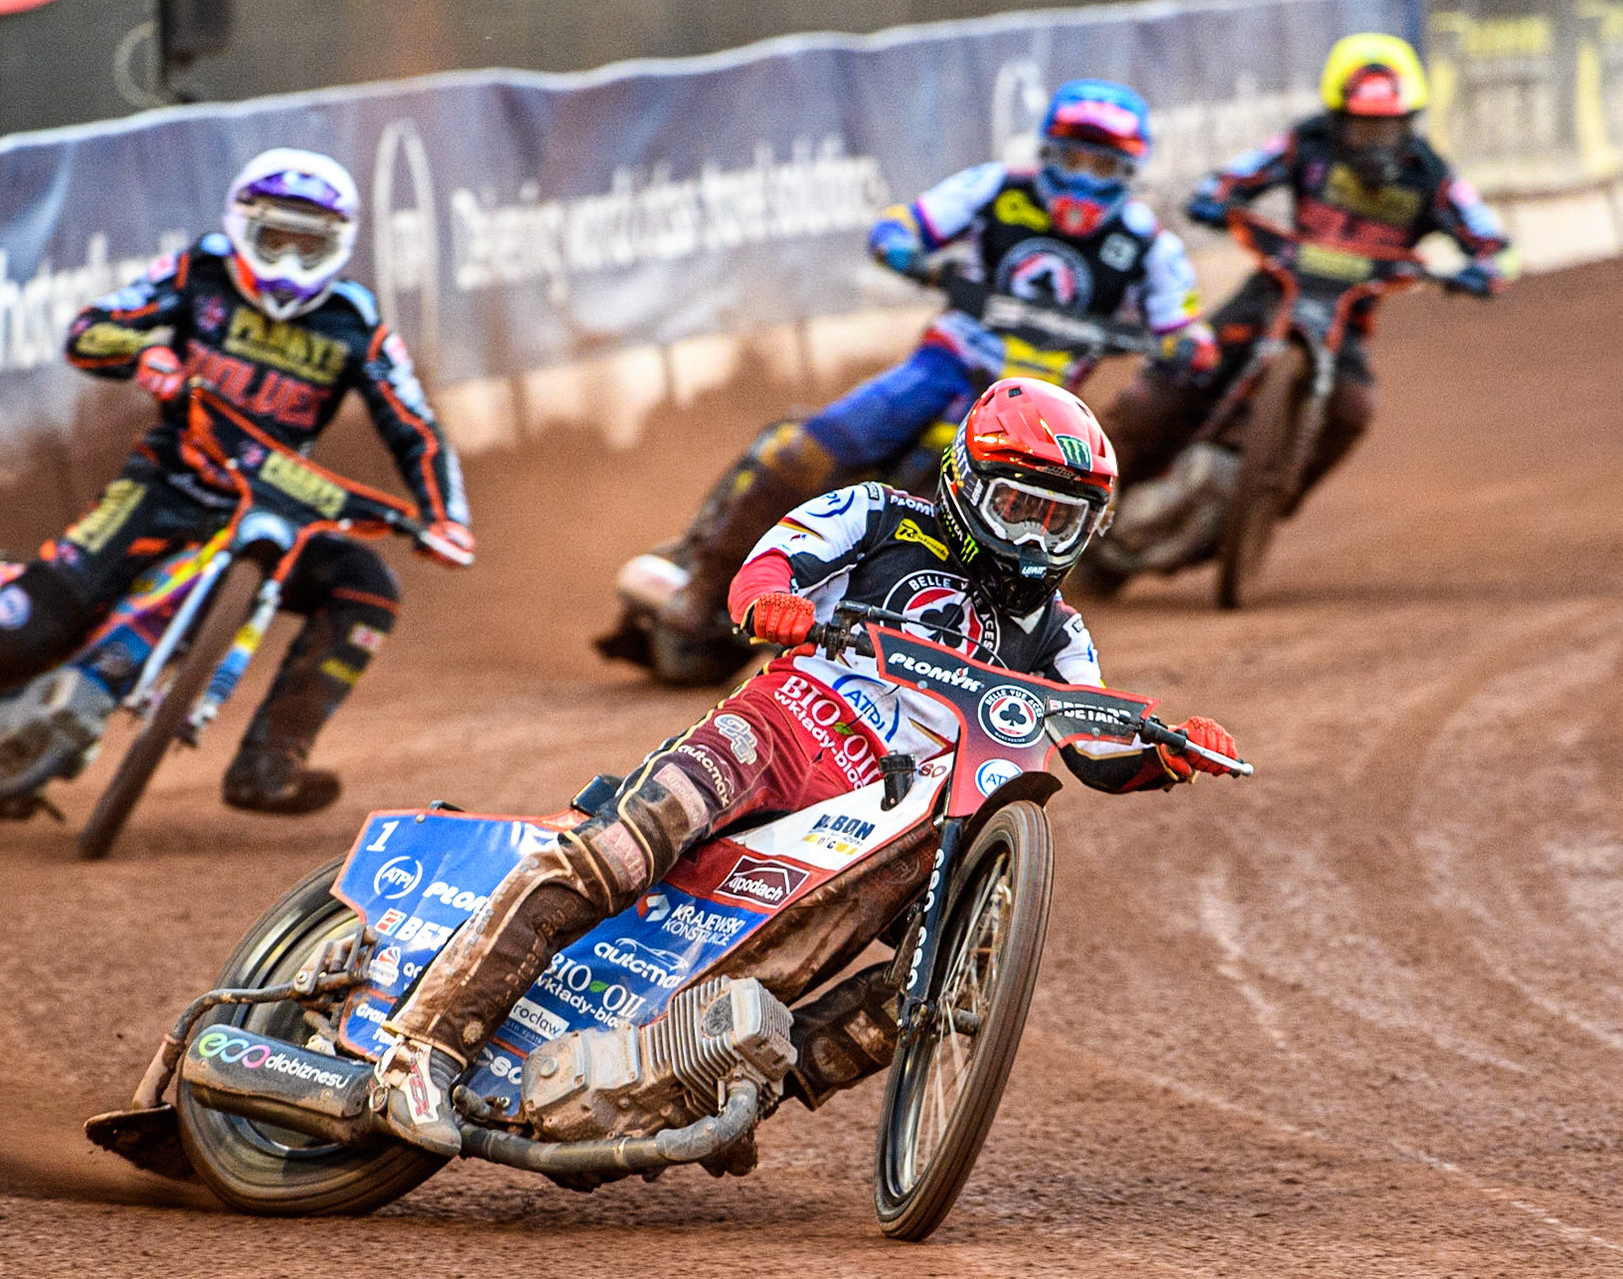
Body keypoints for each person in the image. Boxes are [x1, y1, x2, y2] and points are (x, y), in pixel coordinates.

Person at [373, 378, 1241, 1154]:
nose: (1035, 541)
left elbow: (1096, 743)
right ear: (970, 486)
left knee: (929, 983)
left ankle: (726, 1086)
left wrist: (1169, 750)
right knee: (623, 850)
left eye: (1061, 522)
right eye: (1020, 508)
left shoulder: (1061, 631)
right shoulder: (878, 515)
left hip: (890, 816)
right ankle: (421, 1047)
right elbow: (768, 563)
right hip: (782, 730)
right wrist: (772, 602)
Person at [0, 147, 474, 815]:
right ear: (244, 226)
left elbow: (413, 425)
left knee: (368, 587)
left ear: (340, 245)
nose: (290, 263)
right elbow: (88, 332)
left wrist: (445, 516)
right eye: (276, 239)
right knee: (41, 619)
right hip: (165, 483)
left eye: (311, 247)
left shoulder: (356, 323)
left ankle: (269, 762)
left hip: (273, 506)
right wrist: (144, 349)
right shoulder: (198, 271)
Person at [655, 79, 1214, 642]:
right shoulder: (996, 188)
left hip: (1031, 408)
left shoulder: (1148, 244)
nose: (1084, 177)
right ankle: (704, 587)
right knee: (810, 449)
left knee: (978, 529)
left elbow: (1183, 323)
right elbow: (902, 225)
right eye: (1073, 157)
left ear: (1126, 173)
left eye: (1101, 164)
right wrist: (905, 250)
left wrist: (1190, 343)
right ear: (1047, 153)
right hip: (944, 363)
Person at [1102, 32, 1509, 498]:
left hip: (1348, 318)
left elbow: (1494, 241)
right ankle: (1088, 478)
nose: (1375, 142)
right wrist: (1214, 198)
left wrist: (1485, 268)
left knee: (1353, 412)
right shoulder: (1306, 142)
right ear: (1337, 119)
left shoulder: (1431, 175)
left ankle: (1275, 500)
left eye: (1388, 128)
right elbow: (1236, 176)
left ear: (1410, 123)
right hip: (1272, 290)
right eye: (1362, 127)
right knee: (1177, 374)